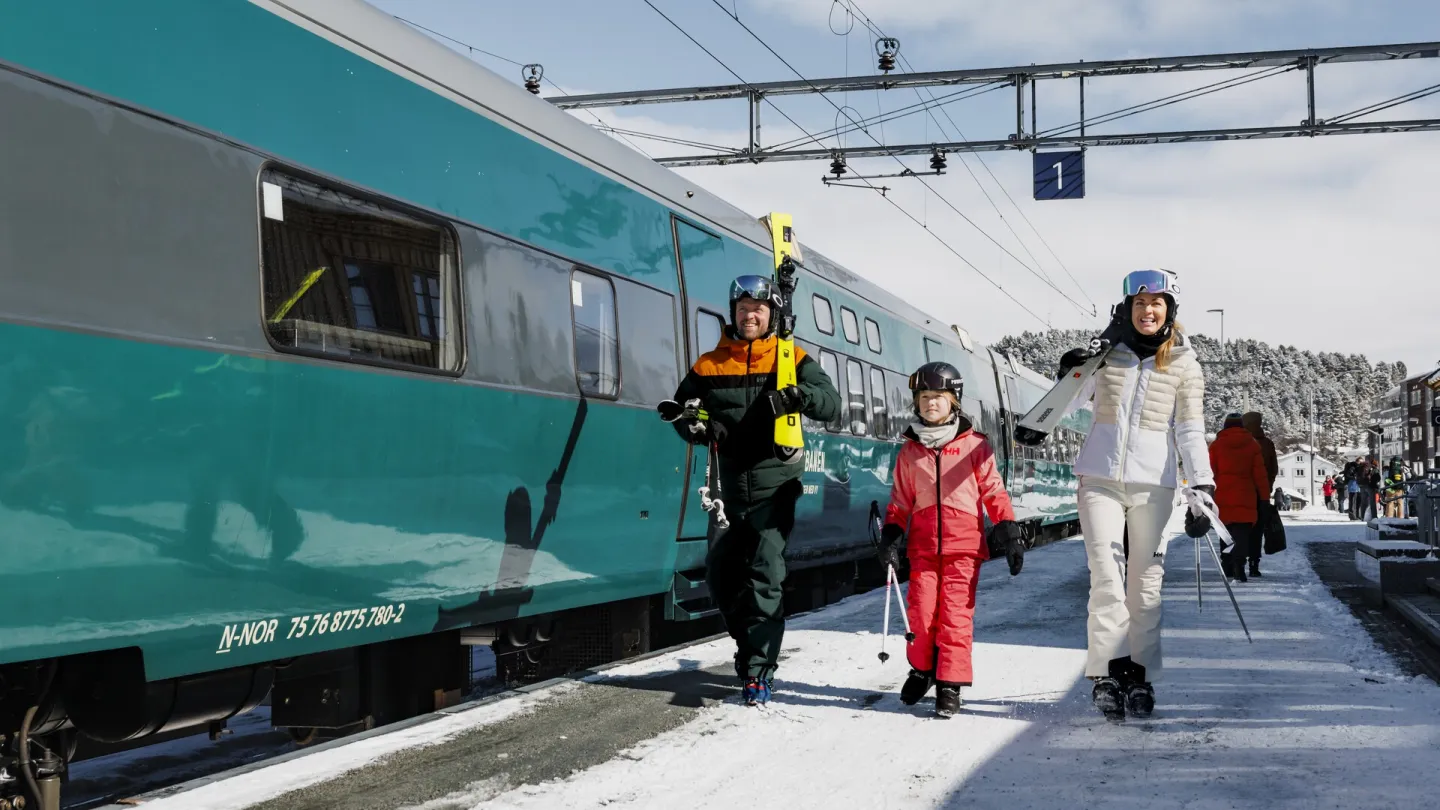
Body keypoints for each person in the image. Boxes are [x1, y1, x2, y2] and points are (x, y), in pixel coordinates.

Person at [667, 274, 841, 706]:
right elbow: (685, 408)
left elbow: (831, 403)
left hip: (774, 484)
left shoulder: (790, 357)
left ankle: (757, 671)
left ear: (771, 314)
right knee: (722, 577)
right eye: (743, 309)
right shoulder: (710, 364)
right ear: (734, 314)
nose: (750, 316)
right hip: (726, 488)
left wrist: (799, 397)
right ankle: (750, 649)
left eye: (758, 310)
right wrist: (695, 426)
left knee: (764, 576)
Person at [1052, 268, 1215, 721]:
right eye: (1140, 304)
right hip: (1099, 478)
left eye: (1156, 303)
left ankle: (1139, 678)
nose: (1147, 310)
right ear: (1128, 308)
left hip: (1154, 484)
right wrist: (1072, 368)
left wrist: (1202, 485)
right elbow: (1070, 398)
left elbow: (1189, 428)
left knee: (1144, 587)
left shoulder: (1184, 364)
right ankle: (1106, 675)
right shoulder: (1108, 353)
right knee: (1106, 578)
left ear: (1170, 311)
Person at [876, 362, 1023, 718]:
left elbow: (993, 492)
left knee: (955, 618)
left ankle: (949, 685)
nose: (930, 403)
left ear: (953, 401)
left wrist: (1009, 530)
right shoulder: (910, 451)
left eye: (938, 397)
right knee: (921, 614)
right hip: (924, 546)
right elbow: (900, 501)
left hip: (964, 548)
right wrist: (891, 536)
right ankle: (924, 670)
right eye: (924, 397)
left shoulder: (975, 446)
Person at [1208, 413, 1270, 583]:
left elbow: (1210, 472)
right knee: (1242, 534)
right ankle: (1239, 566)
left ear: (1225, 426)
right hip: (1246, 495)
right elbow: (1260, 475)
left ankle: (1227, 564)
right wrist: (1264, 498)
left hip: (1223, 495)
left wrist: (1207, 495)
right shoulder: (1252, 445)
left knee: (1225, 532)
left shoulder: (1216, 446)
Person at [1241, 412, 1279, 578]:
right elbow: (1274, 469)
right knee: (1257, 530)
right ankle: (1254, 563)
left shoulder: (1241, 442)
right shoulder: (1268, 444)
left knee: (1240, 528)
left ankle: (1238, 562)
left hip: (1241, 492)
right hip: (1261, 493)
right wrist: (1268, 486)